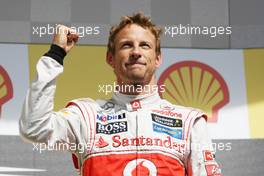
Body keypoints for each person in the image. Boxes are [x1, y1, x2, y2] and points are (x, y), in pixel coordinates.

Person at [19, 13, 222, 176]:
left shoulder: (188, 121)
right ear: (110, 58)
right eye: (126, 45)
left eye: (145, 45)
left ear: (158, 58)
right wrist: (55, 55)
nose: (136, 52)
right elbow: (33, 128)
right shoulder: (86, 115)